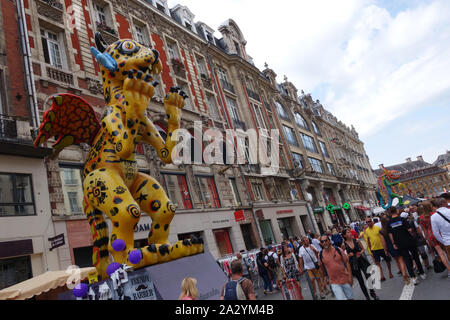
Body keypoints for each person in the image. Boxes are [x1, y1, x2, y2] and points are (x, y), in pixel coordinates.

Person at [388, 207, 426, 285]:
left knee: (407, 260)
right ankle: (422, 273)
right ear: (396, 211)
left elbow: (390, 234)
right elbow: (410, 230)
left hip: (400, 243)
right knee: (415, 257)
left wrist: (394, 243)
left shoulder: (389, 223)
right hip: (409, 241)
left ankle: (413, 278)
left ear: (390, 213)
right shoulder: (402, 219)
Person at [341, 228, 379, 300]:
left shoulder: (356, 240)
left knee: (368, 276)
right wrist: (349, 255)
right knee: (360, 280)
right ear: (344, 235)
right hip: (353, 262)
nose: (350, 233)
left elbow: (363, 249)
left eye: (350, 232)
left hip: (361, 260)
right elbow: (342, 255)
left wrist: (360, 253)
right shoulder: (343, 245)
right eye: (348, 232)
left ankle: (372, 292)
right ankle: (367, 297)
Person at [318, 235, 354, 300]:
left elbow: (347, 263)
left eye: (326, 240)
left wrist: (350, 276)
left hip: (344, 278)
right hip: (334, 282)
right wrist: (323, 280)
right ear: (321, 243)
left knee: (350, 298)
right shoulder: (320, 254)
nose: (324, 243)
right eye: (322, 241)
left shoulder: (338, 250)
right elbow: (321, 269)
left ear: (329, 241)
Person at [380, 215, 408, 283]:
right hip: (396, 244)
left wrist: (385, 250)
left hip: (390, 247)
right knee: (401, 259)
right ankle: (404, 274)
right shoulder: (391, 226)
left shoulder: (381, 231)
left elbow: (383, 242)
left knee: (397, 260)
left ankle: (401, 271)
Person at [430, 198, 450, 273]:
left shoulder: (433, 217)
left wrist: (444, 241)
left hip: (447, 242)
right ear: (443, 204)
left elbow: (436, 233)